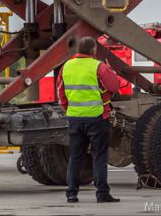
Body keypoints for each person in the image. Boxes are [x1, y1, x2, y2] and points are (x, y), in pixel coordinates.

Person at [57, 37, 121, 204]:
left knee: (75, 157)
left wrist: (69, 110)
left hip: (75, 118)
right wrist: (110, 70)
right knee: (99, 157)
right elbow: (115, 86)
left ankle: (71, 194)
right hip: (97, 118)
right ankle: (102, 194)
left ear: (78, 50)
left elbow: (61, 93)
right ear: (93, 50)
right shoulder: (98, 66)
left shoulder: (66, 66)